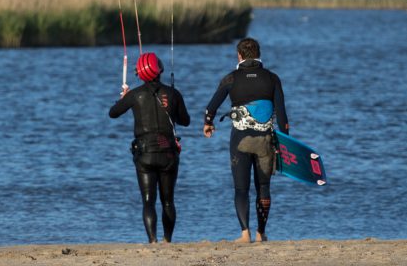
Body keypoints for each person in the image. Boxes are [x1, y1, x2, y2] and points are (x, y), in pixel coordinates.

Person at [203, 38, 289, 243]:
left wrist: (208, 123)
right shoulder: (272, 78)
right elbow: (283, 115)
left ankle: (245, 234)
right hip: (265, 141)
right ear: (259, 54)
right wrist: (286, 140)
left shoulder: (230, 79)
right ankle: (261, 233)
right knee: (264, 188)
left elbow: (211, 106)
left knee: (241, 188)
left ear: (239, 56)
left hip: (240, 140)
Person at [109, 52, 190, 243]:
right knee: (168, 201)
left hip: (144, 154)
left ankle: (152, 240)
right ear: (159, 69)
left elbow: (113, 113)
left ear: (140, 73)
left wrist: (123, 98)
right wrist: (173, 108)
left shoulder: (134, 95)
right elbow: (185, 121)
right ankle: (167, 240)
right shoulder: (173, 93)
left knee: (148, 201)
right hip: (168, 154)